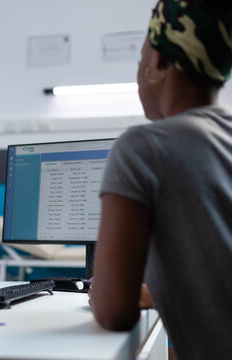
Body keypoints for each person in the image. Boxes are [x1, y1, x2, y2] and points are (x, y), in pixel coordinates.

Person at [90, 0, 232, 358]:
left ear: (158, 64)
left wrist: (106, 292)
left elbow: (113, 312)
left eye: (140, 60)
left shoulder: (144, 148)